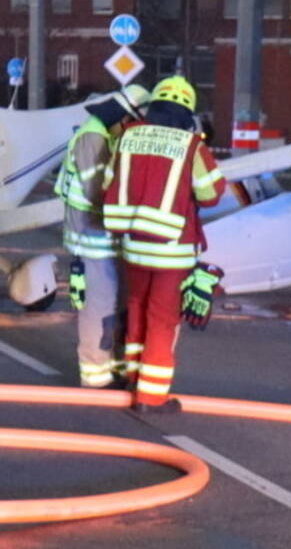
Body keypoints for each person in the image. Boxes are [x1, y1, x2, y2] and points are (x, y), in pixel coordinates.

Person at [102, 76, 225, 413]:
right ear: (188, 112)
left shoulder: (128, 137)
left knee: (138, 308)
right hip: (172, 249)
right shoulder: (191, 146)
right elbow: (211, 194)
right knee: (162, 320)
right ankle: (152, 397)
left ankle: (132, 377)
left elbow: (110, 182)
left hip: (133, 244)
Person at [55, 84, 150, 388]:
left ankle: (115, 365)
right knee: (99, 305)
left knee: (116, 302)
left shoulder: (102, 132)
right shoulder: (93, 137)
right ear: (126, 118)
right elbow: (98, 191)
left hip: (102, 234)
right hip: (91, 235)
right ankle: (95, 375)